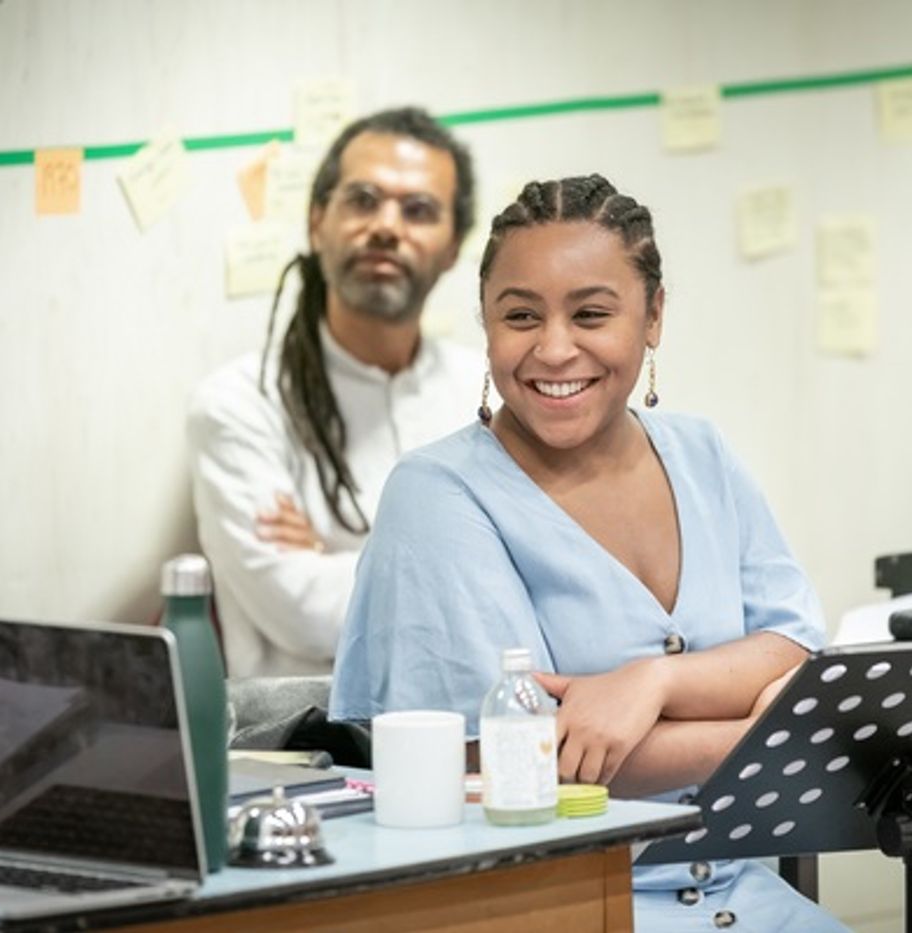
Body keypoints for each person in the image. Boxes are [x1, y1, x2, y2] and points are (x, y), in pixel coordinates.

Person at [330, 175, 847, 931]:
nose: (554, 348)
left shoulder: (703, 455)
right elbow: (508, 758)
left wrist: (652, 683)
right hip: (561, 903)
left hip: (739, 892)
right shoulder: (437, 495)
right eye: (520, 316)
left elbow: (795, 649)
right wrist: (750, 732)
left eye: (592, 313)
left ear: (654, 316)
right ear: (485, 323)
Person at [187, 108, 480, 677]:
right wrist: (468, 571)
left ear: (452, 248)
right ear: (317, 221)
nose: (387, 226)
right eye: (363, 200)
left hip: (473, 726)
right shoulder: (239, 406)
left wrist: (336, 558)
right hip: (307, 747)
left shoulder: (488, 395)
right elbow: (300, 612)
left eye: (418, 210)